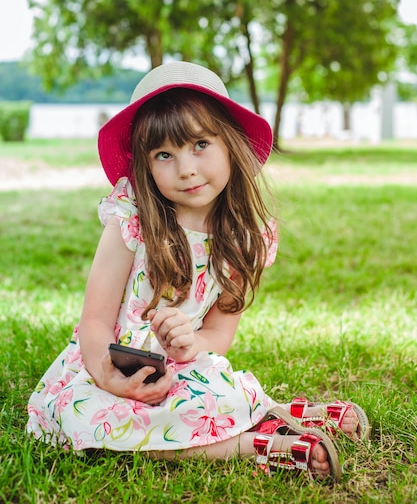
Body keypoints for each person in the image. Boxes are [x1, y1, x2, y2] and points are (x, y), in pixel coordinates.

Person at [27, 61, 369, 481]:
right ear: (145, 165)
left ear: (231, 143)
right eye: (164, 154)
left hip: (184, 369)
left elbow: (219, 336)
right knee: (88, 421)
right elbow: (94, 321)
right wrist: (110, 378)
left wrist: (190, 345)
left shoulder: (246, 237)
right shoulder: (131, 218)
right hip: (110, 367)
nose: (186, 168)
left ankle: (283, 415)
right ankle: (263, 444)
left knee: (213, 397)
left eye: (200, 144)